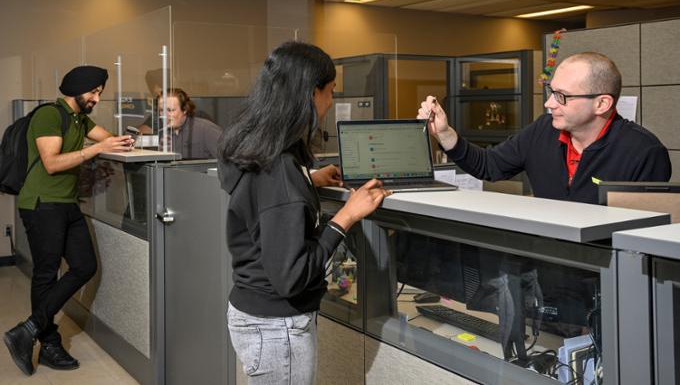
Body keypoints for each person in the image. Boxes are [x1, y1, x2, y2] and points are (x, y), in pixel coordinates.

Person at [218, 41, 390, 384]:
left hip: (254, 312)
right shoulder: (280, 170)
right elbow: (291, 276)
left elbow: (262, 196)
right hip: (277, 325)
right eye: (330, 92)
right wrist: (347, 217)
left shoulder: (259, 151)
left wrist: (308, 179)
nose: (331, 102)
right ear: (312, 93)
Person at [3, 65, 135, 376]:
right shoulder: (49, 115)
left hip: (65, 204)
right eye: (94, 92)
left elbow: (110, 140)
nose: (97, 99)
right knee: (46, 274)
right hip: (41, 205)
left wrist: (130, 141)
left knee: (84, 265)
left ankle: (29, 328)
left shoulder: (80, 118)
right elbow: (52, 163)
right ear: (77, 89)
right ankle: (48, 344)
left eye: (99, 92)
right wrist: (98, 149)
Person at [419, 51, 671, 204]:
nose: (550, 103)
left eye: (562, 96)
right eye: (552, 92)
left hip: (610, 278)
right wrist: (444, 133)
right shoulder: (543, 130)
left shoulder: (643, 152)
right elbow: (489, 165)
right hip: (550, 274)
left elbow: (642, 234)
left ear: (601, 103)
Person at [158, 87, 222, 159]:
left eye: (170, 110)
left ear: (184, 109)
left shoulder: (206, 129)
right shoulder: (161, 132)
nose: (165, 115)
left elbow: (227, 162)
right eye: (161, 110)